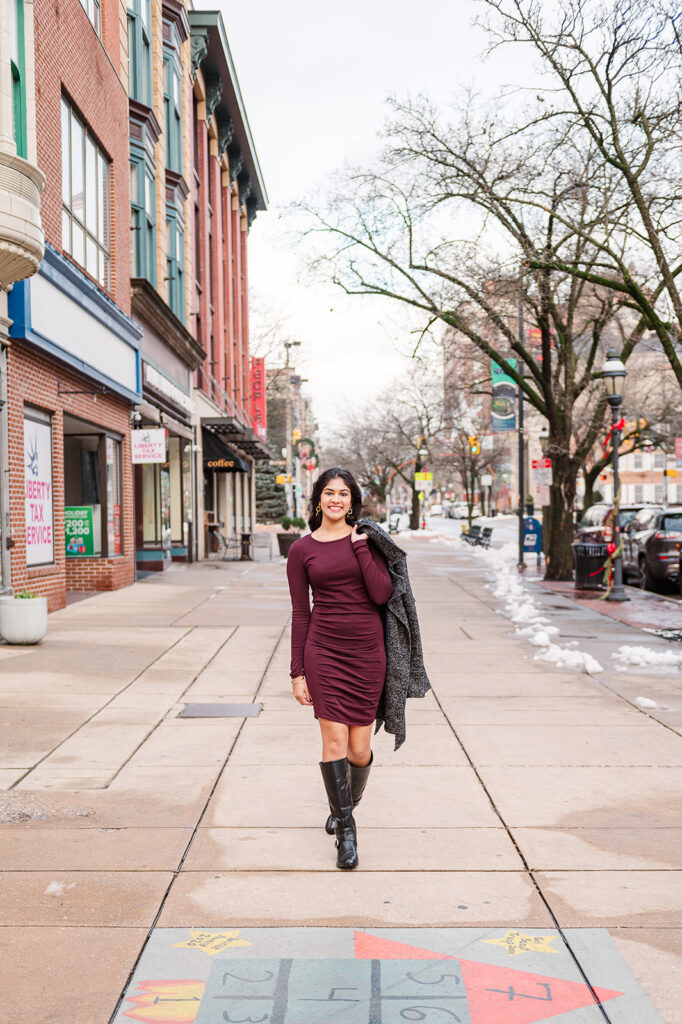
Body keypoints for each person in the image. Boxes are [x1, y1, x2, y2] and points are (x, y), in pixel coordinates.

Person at [286, 467, 393, 870]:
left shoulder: (367, 540)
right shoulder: (301, 550)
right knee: (333, 743)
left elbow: (382, 594)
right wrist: (297, 672)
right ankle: (346, 835)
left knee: (359, 749)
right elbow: (301, 612)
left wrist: (361, 548)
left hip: (367, 652)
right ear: (318, 499)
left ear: (352, 501)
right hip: (324, 652)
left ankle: (343, 803)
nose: (336, 499)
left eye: (343, 494)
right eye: (329, 493)